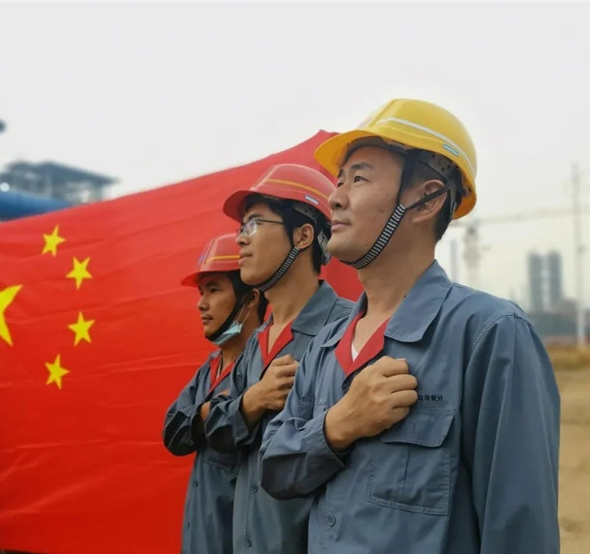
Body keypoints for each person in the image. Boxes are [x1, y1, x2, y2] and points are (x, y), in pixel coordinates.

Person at [261, 98, 560, 553]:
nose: (335, 197)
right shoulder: (325, 347)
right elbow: (275, 470)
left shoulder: (489, 334)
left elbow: (519, 530)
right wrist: (337, 426)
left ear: (427, 199)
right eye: (339, 181)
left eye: (359, 178)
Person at [205, 164, 353, 553]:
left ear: (303, 235)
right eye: (241, 228)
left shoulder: (349, 331)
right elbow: (216, 435)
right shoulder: (254, 345)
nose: (240, 239)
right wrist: (250, 404)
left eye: (254, 224)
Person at [163, 232, 266, 554]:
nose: (201, 303)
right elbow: (173, 432)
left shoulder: (264, 366)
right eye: (201, 292)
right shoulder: (210, 369)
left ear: (250, 299)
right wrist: (221, 412)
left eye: (214, 289)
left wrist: (201, 419)